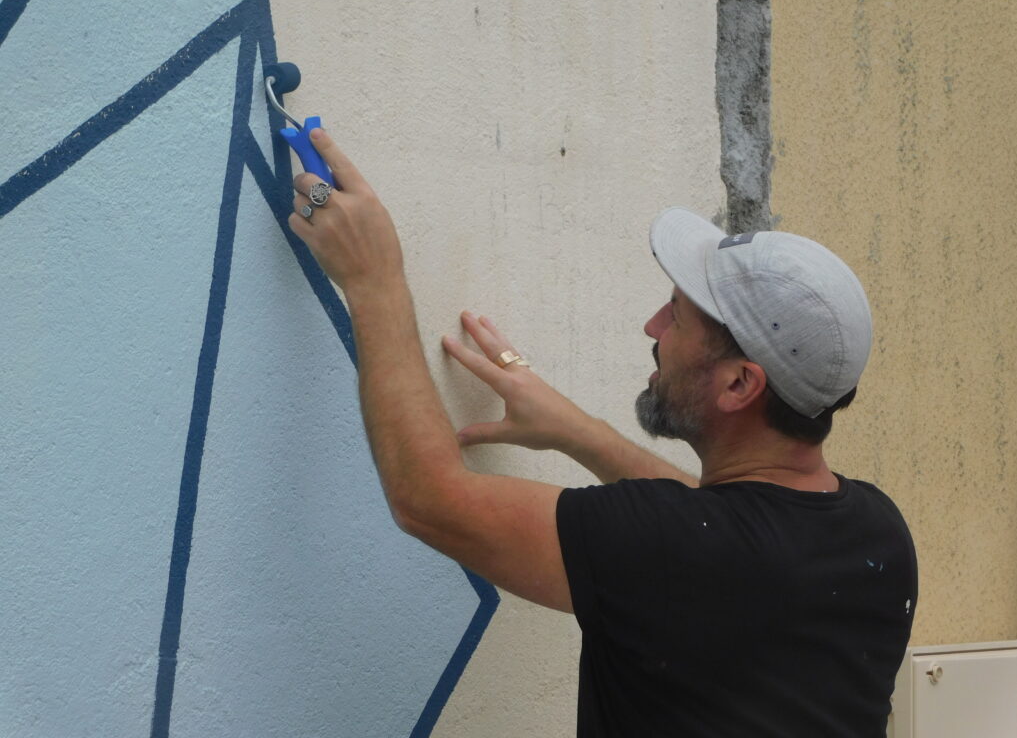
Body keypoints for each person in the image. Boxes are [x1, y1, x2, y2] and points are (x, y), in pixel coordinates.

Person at [288, 128, 917, 737]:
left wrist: (374, 280)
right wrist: (577, 432)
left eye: (677, 315)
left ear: (738, 386)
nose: (652, 326)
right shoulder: (879, 537)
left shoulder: (678, 551)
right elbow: (716, 528)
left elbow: (428, 496)